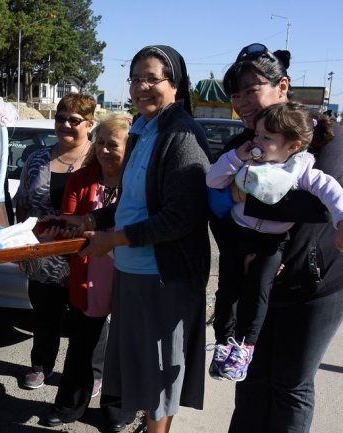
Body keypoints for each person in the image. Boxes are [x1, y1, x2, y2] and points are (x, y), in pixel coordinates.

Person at [60, 45, 210, 433]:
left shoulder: (182, 136)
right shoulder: (144, 130)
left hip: (161, 275)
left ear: (174, 83)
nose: (141, 87)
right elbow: (133, 201)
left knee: (158, 373)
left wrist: (113, 240)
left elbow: (179, 218)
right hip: (133, 270)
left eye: (151, 78)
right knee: (140, 370)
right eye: (135, 79)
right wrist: (91, 218)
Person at [215, 43, 343, 433]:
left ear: (282, 86)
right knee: (251, 379)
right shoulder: (241, 145)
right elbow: (217, 208)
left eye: (250, 89)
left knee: (290, 385)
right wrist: (240, 250)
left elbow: (316, 210)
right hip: (259, 281)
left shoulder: (321, 137)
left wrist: (244, 194)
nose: (242, 102)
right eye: (236, 93)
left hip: (316, 284)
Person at [206, 102, 343, 382]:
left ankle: (244, 347)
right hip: (238, 236)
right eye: (257, 135)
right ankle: (224, 342)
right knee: (227, 291)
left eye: (267, 138)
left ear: (293, 146)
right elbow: (213, 181)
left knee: (258, 292)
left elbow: (330, 190)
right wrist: (234, 159)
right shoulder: (245, 160)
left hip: (272, 243)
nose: (257, 142)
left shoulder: (300, 169)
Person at [40, 113, 132, 428]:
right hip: (88, 267)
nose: (105, 150)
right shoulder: (82, 178)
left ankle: (116, 411)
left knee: (123, 342)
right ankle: (69, 406)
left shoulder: (138, 180)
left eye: (114, 144)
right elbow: (68, 219)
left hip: (130, 268)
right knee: (81, 342)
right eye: (101, 142)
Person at [13, 92, 96, 391]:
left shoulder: (99, 159)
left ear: (90, 123)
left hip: (87, 256)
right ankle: (40, 365)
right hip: (43, 256)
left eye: (74, 120)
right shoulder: (37, 159)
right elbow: (22, 204)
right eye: (61, 119)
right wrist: (21, 247)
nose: (65, 125)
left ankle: (91, 373)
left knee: (88, 318)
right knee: (44, 316)